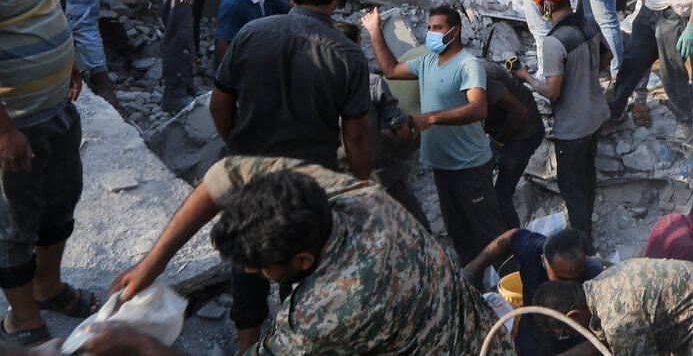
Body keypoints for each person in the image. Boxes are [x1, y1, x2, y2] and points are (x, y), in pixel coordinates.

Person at [110, 157, 514, 355]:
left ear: (303, 261)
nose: (255, 273)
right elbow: (227, 173)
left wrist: (140, 346)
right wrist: (153, 264)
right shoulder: (348, 196)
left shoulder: (331, 306)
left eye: (261, 267)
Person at [211, 0, 373, 351]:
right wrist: (362, 184)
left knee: (248, 263)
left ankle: (246, 343)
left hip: (249, 172)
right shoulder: (349, 56)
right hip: (307, 182)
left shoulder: (251, 34)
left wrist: (237, 144)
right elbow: (355, 137)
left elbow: (220, 102)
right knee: (302, 269)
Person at [0, 0, 92, 347]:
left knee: (60, 202)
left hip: (56, 106)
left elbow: (42, 1)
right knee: (14, 221)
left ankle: (48, 284)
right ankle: (20, 313)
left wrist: (68, 56)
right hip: (17, 121)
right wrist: (5, 132)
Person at [365, 4, 506, 265]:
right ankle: (475, 289)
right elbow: (391, 70)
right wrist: (375, 32)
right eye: (429, 28)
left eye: (438, 28)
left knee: (488, 233)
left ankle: (511, 289)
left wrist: (432, 117)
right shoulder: (427, 61)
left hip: (469, 167)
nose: (432, 33)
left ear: (455, 31)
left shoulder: (468, 65)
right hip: (442, 167)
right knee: (459, 233)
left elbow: (478, 108)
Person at [515, 0, 610, 249]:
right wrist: (586, 75)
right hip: (595, 115)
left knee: (571, 186)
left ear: (546, 4)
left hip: (573, 127)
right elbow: (607, 56)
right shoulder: (589, 23)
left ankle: (583, 243)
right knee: (588, 175)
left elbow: (552, 91)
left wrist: (526, 78)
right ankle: (586, 227)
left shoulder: (554, 42)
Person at [533, 258, 693, 356]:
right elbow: (599, 344)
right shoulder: (596, 289)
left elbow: (618, 340)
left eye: (565, 332)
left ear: (574, 315)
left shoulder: (619, 320)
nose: (568, 335)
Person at [332, 20, 430, 231]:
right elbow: (402, 130)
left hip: (337, 180)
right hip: (378, 176)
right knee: (418, 228)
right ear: (357, 44)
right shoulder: (371, 82)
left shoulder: (316, 83)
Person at [463, 227, 603, 356]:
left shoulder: (599, 281)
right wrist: (470, 270)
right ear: (544, 261)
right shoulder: (533, 251)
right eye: (561, 278)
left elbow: (604, 340)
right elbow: (510, 237)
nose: (569, 285)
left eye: (577, 277)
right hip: (529, 342)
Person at [482, 55, 544, 230]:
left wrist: (497, 145)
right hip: (515, 130)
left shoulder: (483, 77)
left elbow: (518, 112)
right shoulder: (471, 68)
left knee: (502, 194)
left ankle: (514, 243)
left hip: (523, 135)